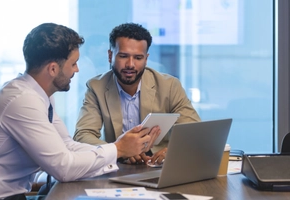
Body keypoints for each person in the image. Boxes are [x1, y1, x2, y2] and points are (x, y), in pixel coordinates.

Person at [0, 23, 160, 199]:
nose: (77, 70)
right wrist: (118, 149)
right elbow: (63, 168)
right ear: (53, 69)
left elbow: (67, 146)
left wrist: (117, 149)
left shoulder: (39, 94)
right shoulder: (22, 101)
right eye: (73, 63)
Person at [73, 23, 201, 166]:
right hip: (118, 167)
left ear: (146, 59)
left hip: (159, 166)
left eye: (138, 58)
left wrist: (174, 150)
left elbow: (194, 131)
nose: (130, 64)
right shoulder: (96, 87)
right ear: (110, 56)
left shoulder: (169, 86)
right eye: (123, 56)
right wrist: (119, 150)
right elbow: (83, 135)